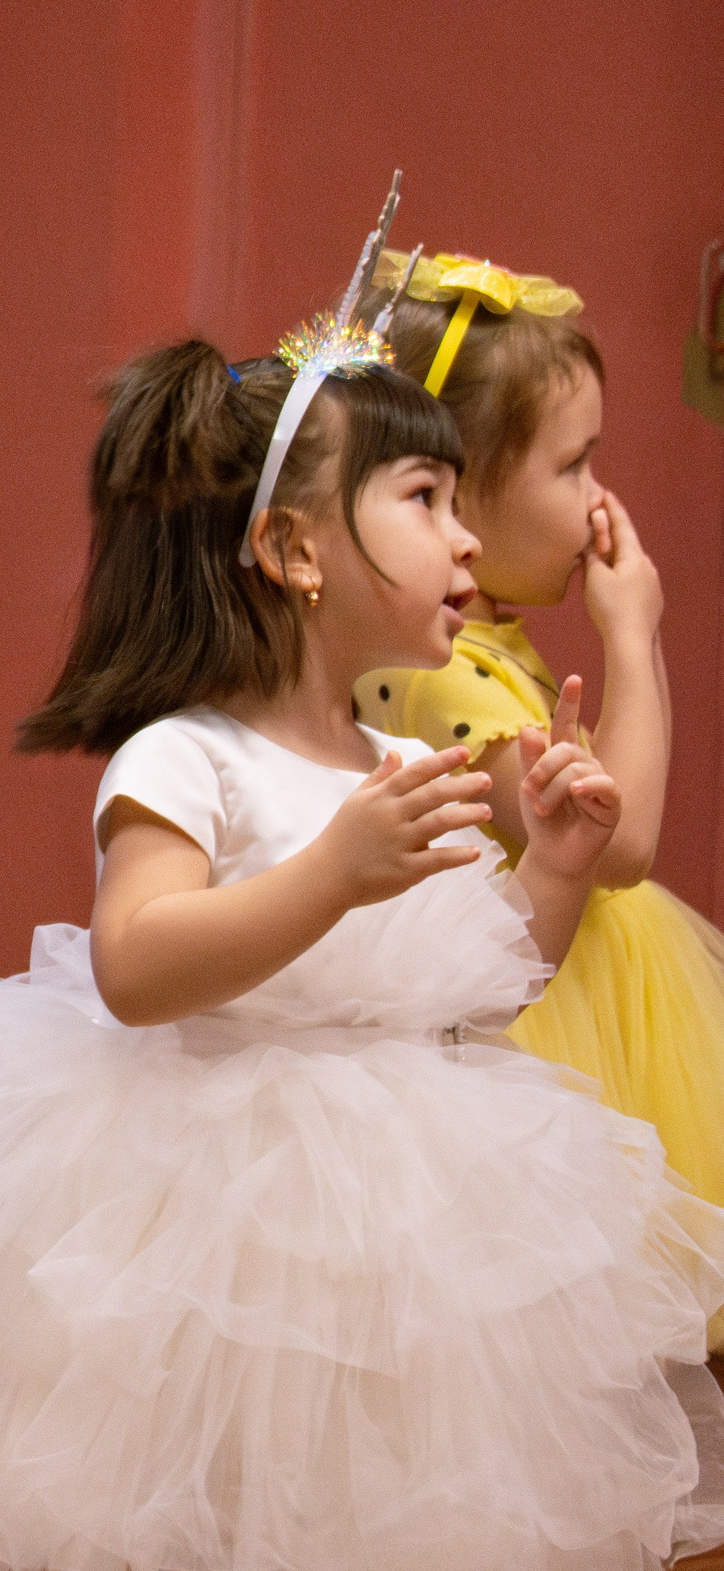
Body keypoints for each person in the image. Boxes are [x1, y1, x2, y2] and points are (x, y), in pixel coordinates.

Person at [0, 262, 724, 1569]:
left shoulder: (392, 759)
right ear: (294, 550)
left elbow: (480, 996)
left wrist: (549, 869)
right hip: (206, 1222)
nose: (465, 542)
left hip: (402, 1220)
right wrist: (333, 871)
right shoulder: (187, 757)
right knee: (201, 1515)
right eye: (426, 501)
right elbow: (139, 967)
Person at [355, 249, 724, 1264]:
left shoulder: (485, 646)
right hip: (533, 1048)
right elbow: (623, 842)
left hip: (589, 1011)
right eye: (572, 468)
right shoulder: (433, 678)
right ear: (454, 498)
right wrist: (633, 640)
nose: (599, 501)